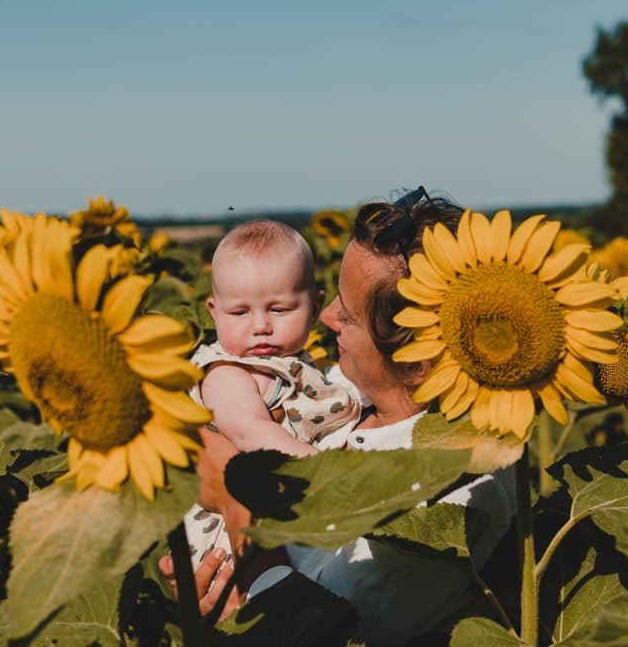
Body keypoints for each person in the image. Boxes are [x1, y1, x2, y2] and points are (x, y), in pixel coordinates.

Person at [160, 190, 516, 645]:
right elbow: (213, 427)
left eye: (347, 316)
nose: (325, 317)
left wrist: (235, 509)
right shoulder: (354, 392)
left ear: (416, 360)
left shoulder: (454, 495)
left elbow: (315, 629)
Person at [183, 219, 362, 564]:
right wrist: (324, 471)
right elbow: (251, 431)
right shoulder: (226, 372)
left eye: (279, 309)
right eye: (239, 312)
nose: (261, 326)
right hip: (235, 538)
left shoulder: (294, 364)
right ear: (213, 311)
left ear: (314, 305)